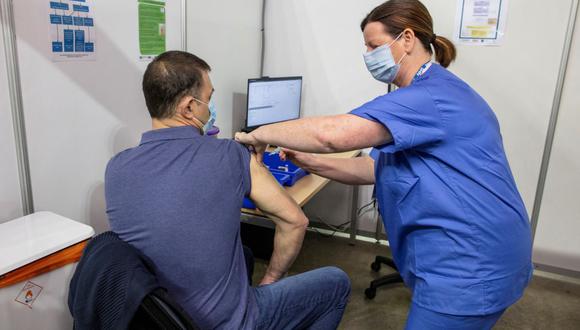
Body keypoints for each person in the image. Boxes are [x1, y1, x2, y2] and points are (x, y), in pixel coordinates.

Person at [235, 0, 533, 329]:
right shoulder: (424, 95)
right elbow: (374, 170)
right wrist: (308, 161)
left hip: (470, 266)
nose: (367, 54)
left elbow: (332, 135)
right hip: (470, 255)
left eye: (374, 45)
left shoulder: (430, 98)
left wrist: (260, 134)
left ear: (407, 38)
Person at [105, 51, 350, 330]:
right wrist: (269, 280)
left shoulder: (116, 168)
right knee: (336, 283)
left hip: (158, 319)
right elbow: (295, 221)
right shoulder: (230, 155)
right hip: (225, 323)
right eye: (207, 100)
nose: (210, 108)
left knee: (244, 253)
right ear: (188, 107)